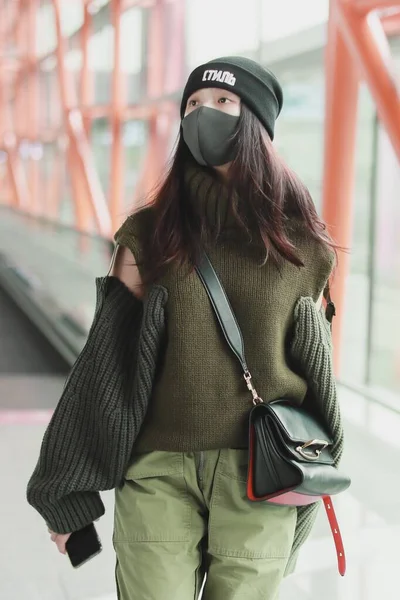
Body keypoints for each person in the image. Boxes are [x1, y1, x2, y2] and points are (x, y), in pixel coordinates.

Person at [27, 56, 342, 599]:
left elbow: (317, 379)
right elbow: (108, 362)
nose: (203, 114)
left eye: (223, 102)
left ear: (257, 125)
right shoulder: (150, 235)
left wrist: (311, 493)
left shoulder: (301, 248)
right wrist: (65, 491)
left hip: (260, 477)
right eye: (192, 104)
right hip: (158, 471)